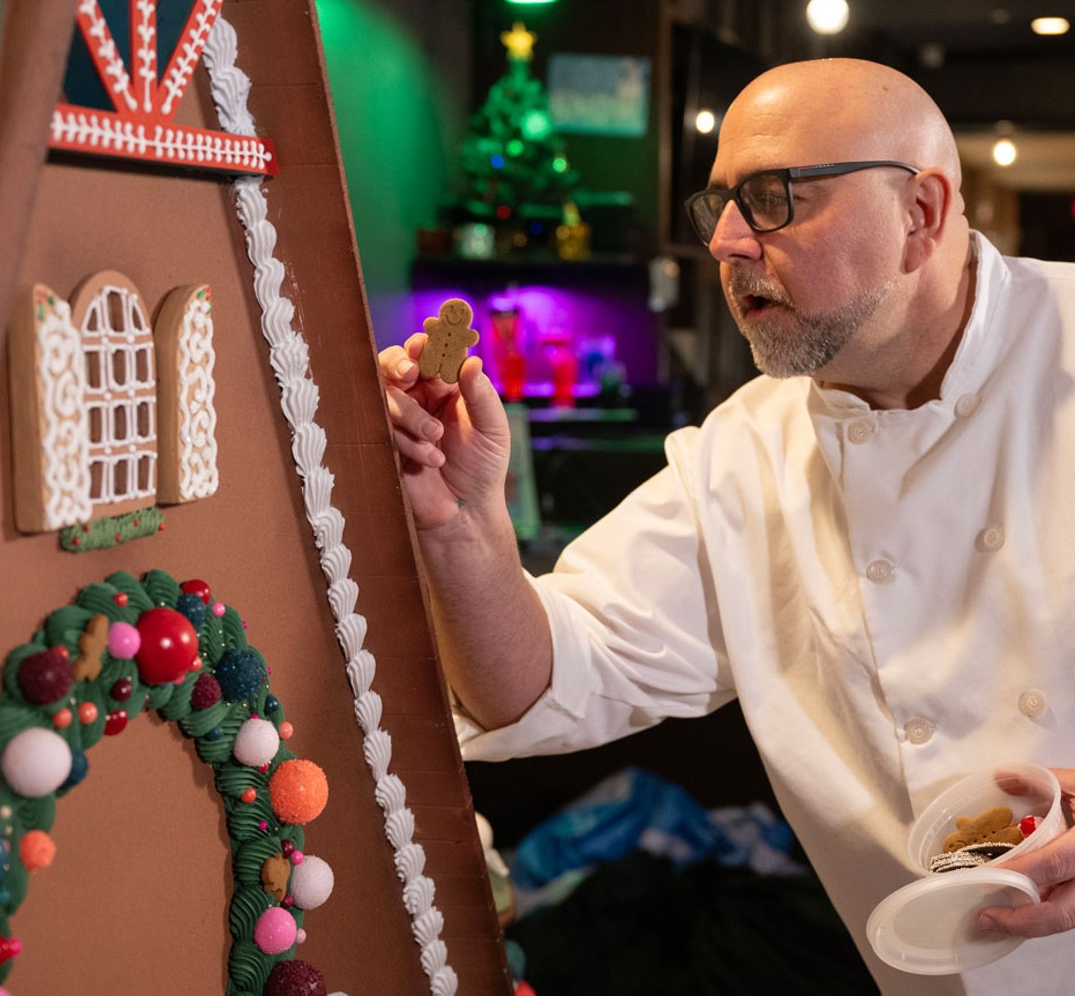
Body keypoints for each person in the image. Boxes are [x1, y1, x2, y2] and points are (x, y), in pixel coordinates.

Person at [380, 58, 1075, 994]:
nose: (726, 243)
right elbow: (538, 683)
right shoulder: (744, 455)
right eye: (720, 206)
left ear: (921, 212)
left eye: (775, 198)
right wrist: (460, 522)